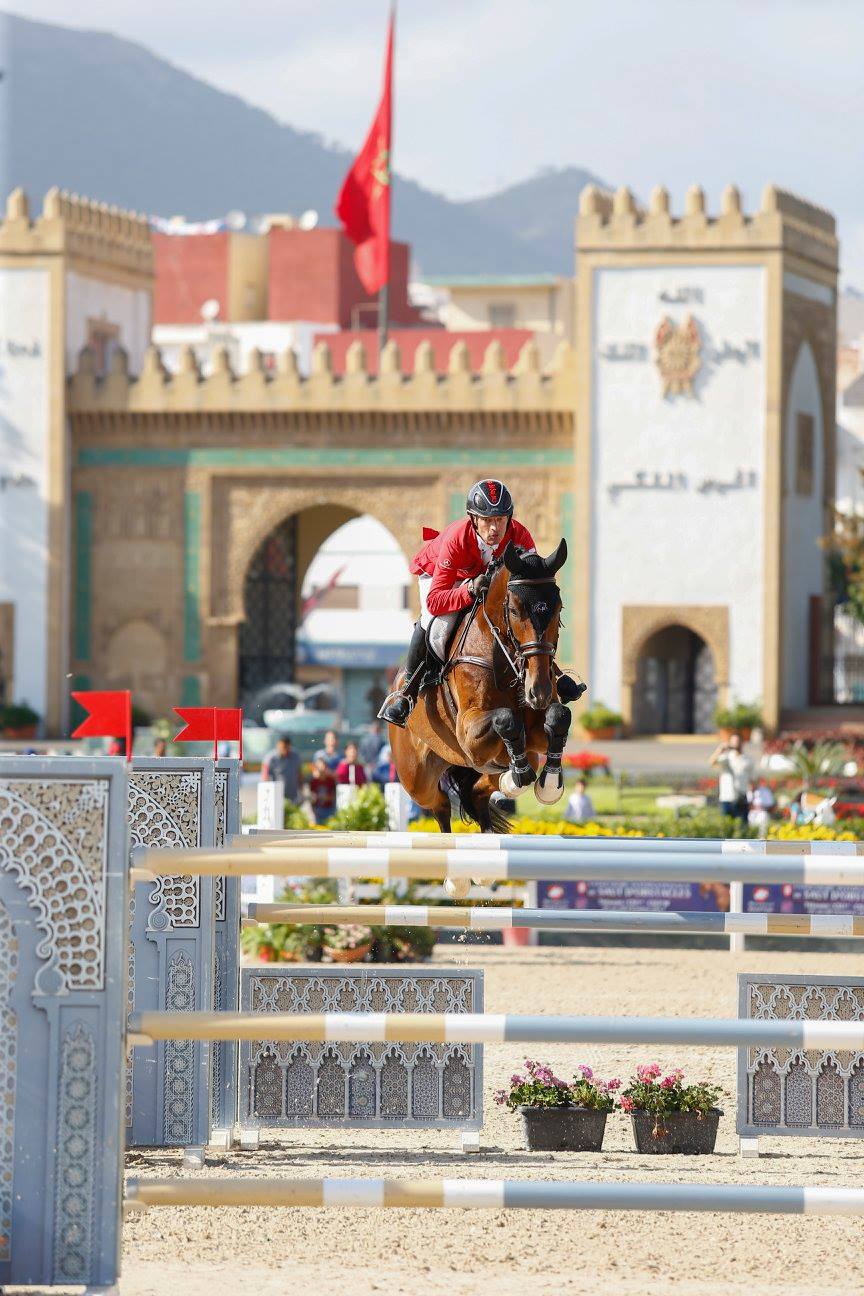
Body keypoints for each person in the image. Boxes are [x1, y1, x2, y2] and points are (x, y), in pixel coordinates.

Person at [379, 479, 586, 726]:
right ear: (473, 519)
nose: (494, 528)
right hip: (444, 575)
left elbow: (529, 592)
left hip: (485, 580)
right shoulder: (457, 539)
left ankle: (555, 676)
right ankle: (406, 693)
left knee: (523, 619)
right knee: (434, 623)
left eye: (500, 519)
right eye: (487, 520)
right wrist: (468, 590)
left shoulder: (519, 536)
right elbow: (435, 601)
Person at [710, 732, 754, 822]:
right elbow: (712, 762)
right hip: (727, 797)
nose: (736, 744)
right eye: (733, 742)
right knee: (726, 828)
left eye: (738, 741)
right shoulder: (726, 758)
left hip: (741, 798)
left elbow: (751, 781)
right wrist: (720, 749)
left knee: (742, 828)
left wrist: (752, 798)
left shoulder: (747, 760)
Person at [262, 735, 301, 803]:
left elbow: (299, 773)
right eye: (283, 747)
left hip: (292, 795)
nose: (285, 750)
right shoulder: (270, 758)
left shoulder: (295, 756)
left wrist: (301, 790)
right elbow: (265, 777)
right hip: (275, 795)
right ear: (278, 745)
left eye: (287, 747)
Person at [308, 756, 337, 824]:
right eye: (318, 767)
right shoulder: (313, 782)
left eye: (322, 766)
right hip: (317, 810)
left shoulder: (331, 781)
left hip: (330, 810)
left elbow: (333, 796)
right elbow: (311, 798)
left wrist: (323, 797)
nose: (321, 769)